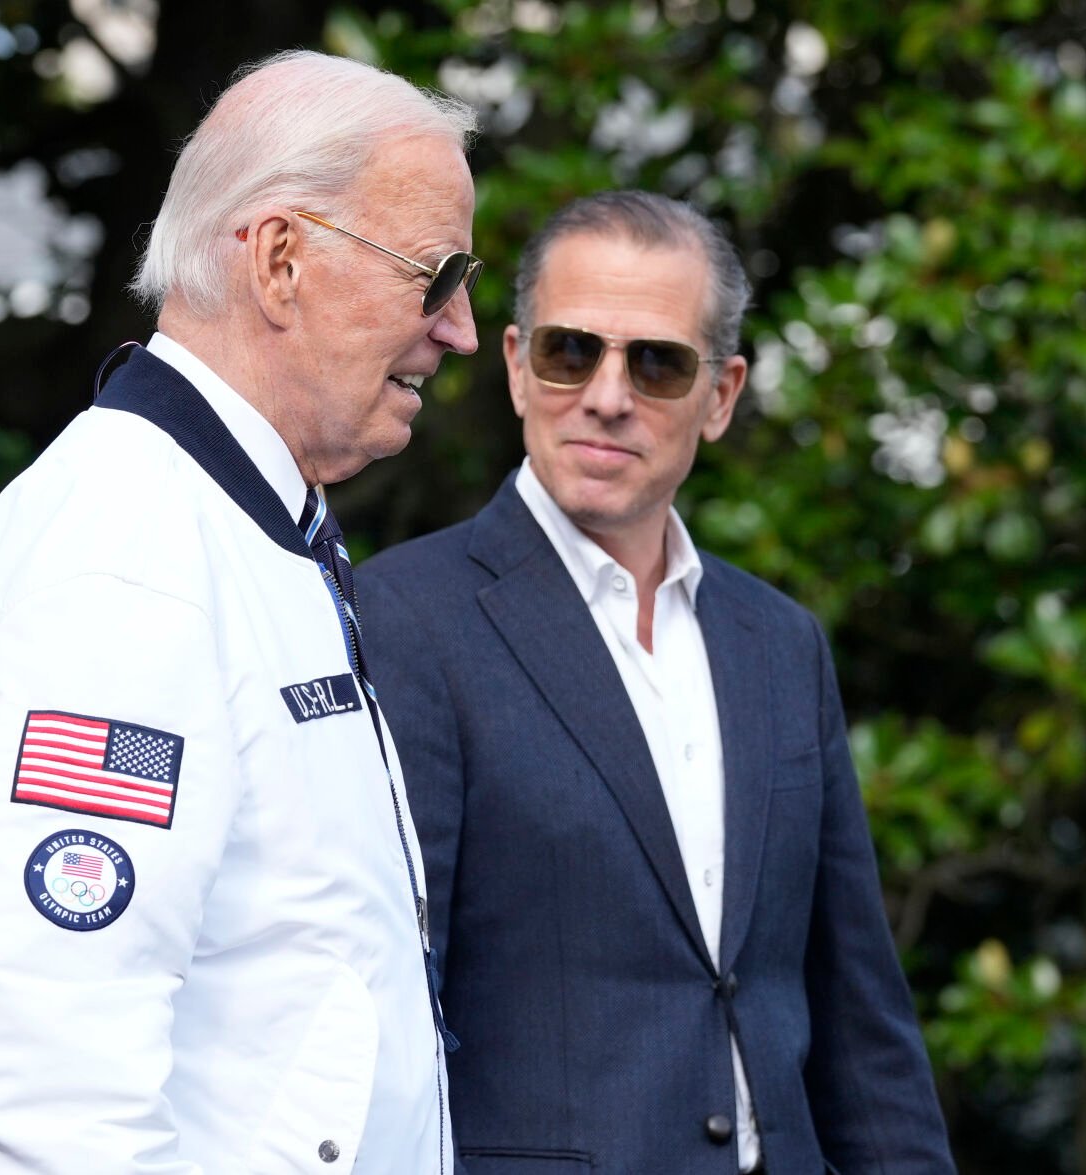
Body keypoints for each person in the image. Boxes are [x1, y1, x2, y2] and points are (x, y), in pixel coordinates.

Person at [0, 50, 481, 1174]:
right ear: (277, 260)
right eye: (433, 272)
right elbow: (35, 1057)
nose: (456, 327)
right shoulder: (130, 557)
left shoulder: (233, 523)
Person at [360, 190, 955, 1174]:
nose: (605, 393)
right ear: (513, 365)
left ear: (718, 395)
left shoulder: (778, 642)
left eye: (655, 362)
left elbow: (859, 1012)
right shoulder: (403, 620)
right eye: (568, 351)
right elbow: (381, 998)